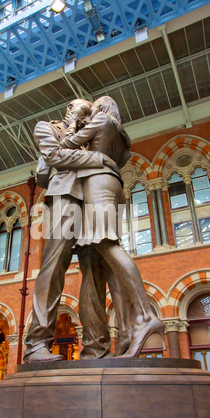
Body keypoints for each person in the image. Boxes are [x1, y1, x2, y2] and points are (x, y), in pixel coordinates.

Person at [60, 96, 165, 358]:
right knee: (109, 254)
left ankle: (144, 315)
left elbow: (66, 146)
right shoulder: (120, 134)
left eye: (94, 105)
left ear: (101, 108)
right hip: (115, 185)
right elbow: (122, 159)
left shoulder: (100, 119)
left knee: (106, 245)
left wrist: (75, 126)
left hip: (98, 186)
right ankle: (128, 329)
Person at [23, 100, 119, 362]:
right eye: (82, 109)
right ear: (68, 109)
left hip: (94, 198)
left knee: (94, 271)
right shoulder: (46, 128)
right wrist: (97, 158)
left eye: (91, 112)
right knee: (54, 264)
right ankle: (36, 345)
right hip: (64, 194)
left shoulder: (89, 134)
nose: (87, 114)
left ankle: (96, 349)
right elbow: (54, 156)